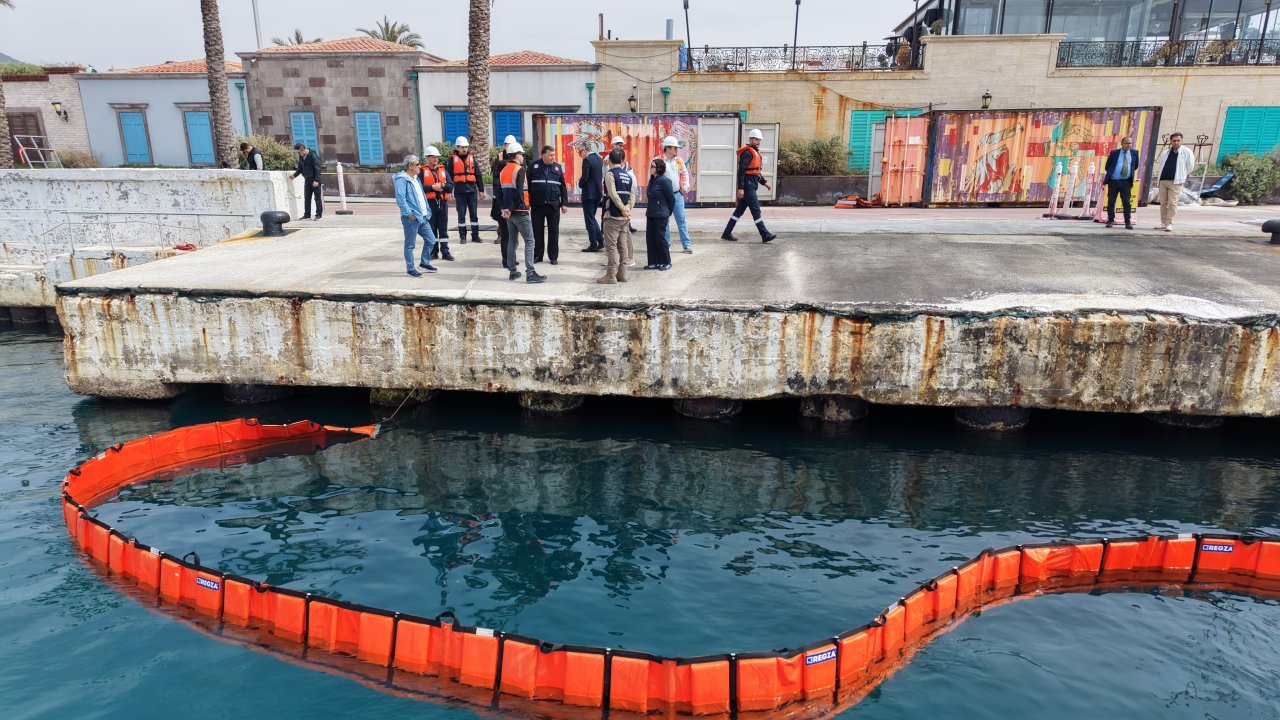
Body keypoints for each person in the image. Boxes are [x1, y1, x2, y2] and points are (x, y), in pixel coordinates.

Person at [499, 142, 546, 284]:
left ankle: (513, 272)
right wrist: (511, 208)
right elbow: (519, 192)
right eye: (522, 155)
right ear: (517, 155)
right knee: (530, 241)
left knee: (512, 241)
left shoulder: (503, 170)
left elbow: (500, 193)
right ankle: (530, 273)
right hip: (519, 211)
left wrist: (505, 209)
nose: (523, 157)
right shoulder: (519, 170)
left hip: (509, 213)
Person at [721, 129, 776, 243]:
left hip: (751, 184)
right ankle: (764, 234)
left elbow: (755, 172)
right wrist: (740, 188)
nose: (758, 142)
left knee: (738, 212)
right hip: (747, 186)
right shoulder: (747, 153)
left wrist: (764, 182)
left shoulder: (754, 152)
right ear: (750, 139)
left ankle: (726, 233)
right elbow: (741, 171)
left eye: (759, 140)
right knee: (756, 210)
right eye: (756, 139)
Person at [393, 154, 438, 278]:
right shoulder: (401, 179)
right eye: (417, 164)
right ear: (410, 166)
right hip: (411, 218)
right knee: (410, 245)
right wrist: (409, 214)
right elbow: (401, 200)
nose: (420, 166)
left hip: (422, 216)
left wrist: (427, 211)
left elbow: (421, 196)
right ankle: (410, 269)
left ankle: (424, 263)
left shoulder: (416, 178)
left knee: (431, 240)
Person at [596, 148, 634, 284]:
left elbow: (612, 194)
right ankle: (623, 273)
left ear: (610, 160)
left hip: (612, 215)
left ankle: (611, 275)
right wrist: (628, 209)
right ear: (622, 161)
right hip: (625, 217)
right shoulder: (628, 175)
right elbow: (632, 195)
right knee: (622, 245)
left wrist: (623, 209)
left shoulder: (609, 174)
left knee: (611, 246)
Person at [529, 145, 569, 265]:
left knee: (553, 232)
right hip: (537, 205)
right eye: (550, 155)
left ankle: (553, 256)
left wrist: (564, 203)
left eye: (553, 155)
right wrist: (527, 202)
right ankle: (538, 255)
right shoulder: (533, 166)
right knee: (537, 231)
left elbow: (563, 186)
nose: (553, 157)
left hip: (553, 205)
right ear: (543, 155)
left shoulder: (557, 168)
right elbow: (527, 186)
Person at [1152, 131, 1196, 232]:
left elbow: (1190, 166)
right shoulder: (1166, 153)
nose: (1176, 142)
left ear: (1182, 141)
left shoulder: (1186, 152)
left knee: (1172, 203)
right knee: (1163, 202)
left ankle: (1169, 223)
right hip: (1164, 180)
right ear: (1171, 141)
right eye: (1174, 141)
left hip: (1176, 181)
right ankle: (1163, 222)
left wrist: (1182, 175)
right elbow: (1162, 165)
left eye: (1178, 140)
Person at [655, 136, 693, 253]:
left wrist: (685, 187)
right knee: (665, 221)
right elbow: (651, 177)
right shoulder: (658, 161)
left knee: (681, 220)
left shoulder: (679, 160)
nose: (677, 150)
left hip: (677, 195)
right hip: (663, 197)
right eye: (675, 148)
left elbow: (685, 174)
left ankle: (686, 245)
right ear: (667, 148)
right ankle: (666, 245)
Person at [420, 146, 455, 261]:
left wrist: (442, 186)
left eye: (436, 157)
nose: (435, 159)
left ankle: (445, 252)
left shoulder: (443, 171)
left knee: (443, 228)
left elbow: (450, 186)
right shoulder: (422, 172)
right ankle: (433, 252)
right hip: (430, 204)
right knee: (432, 228)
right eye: (433, 157)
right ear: (427, 158)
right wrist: (432, 187)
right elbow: (419, 188)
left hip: (442, 203)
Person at [449, 136, 484, 243]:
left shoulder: (472, 158)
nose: (464, 149)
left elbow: (478, 175)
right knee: (461, 215)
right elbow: (449, 177)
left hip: (472, 191)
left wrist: (481, 190)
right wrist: (449, 191)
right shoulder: (452, 160)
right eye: (462, 147)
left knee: (474, 214)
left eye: (466, 147)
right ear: (457, 147)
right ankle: (462, 236)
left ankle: (475, 235)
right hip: (460, 192)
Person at [644, 158, 676, 271]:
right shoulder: (652, 180)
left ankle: (666, 261)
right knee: (650, 238)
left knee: (660, 238)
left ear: (659, 169)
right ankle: (653, 262)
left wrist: (667, 212)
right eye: (651, 166)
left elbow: (671, 199)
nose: (650, 168)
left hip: (661, 214)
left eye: (652, 167)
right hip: (651, 213)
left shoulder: (664, 181)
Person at [1103, 137, 1138, 230]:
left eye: (1130, 143)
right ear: (1122, 143)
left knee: (1126, 202)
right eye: (1126, 143)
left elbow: (1135, 166)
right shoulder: (1114, 153)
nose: (1128, 145)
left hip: (1126, 182)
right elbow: (1107, 166)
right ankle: (1110, 220)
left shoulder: (1134, 153)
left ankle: (1127, 222)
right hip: (1113, 181)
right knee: (1111, 201)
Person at [578, 145, 605, 252]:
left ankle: (593, 244)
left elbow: (585, 177)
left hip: (589, 194)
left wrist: (580, 184)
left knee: (589, 220)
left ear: (584, 150)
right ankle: (600, 240)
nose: (580, 155)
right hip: (598, 193)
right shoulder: (599, 158)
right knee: (592, 218)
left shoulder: (587, 160)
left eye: (580, 152)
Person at [292, 143, 323, 220]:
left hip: (314, 179)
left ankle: (319, 215)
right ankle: (307, 214)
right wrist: (294, 176)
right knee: (307, 198)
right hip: (307, 179)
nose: (298, 154)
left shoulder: (312, 155)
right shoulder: (301, 157)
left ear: (303, 149)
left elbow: (318, 169)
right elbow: (300, 168)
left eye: (299, 152)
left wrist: (316, 180)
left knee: (317, 198)